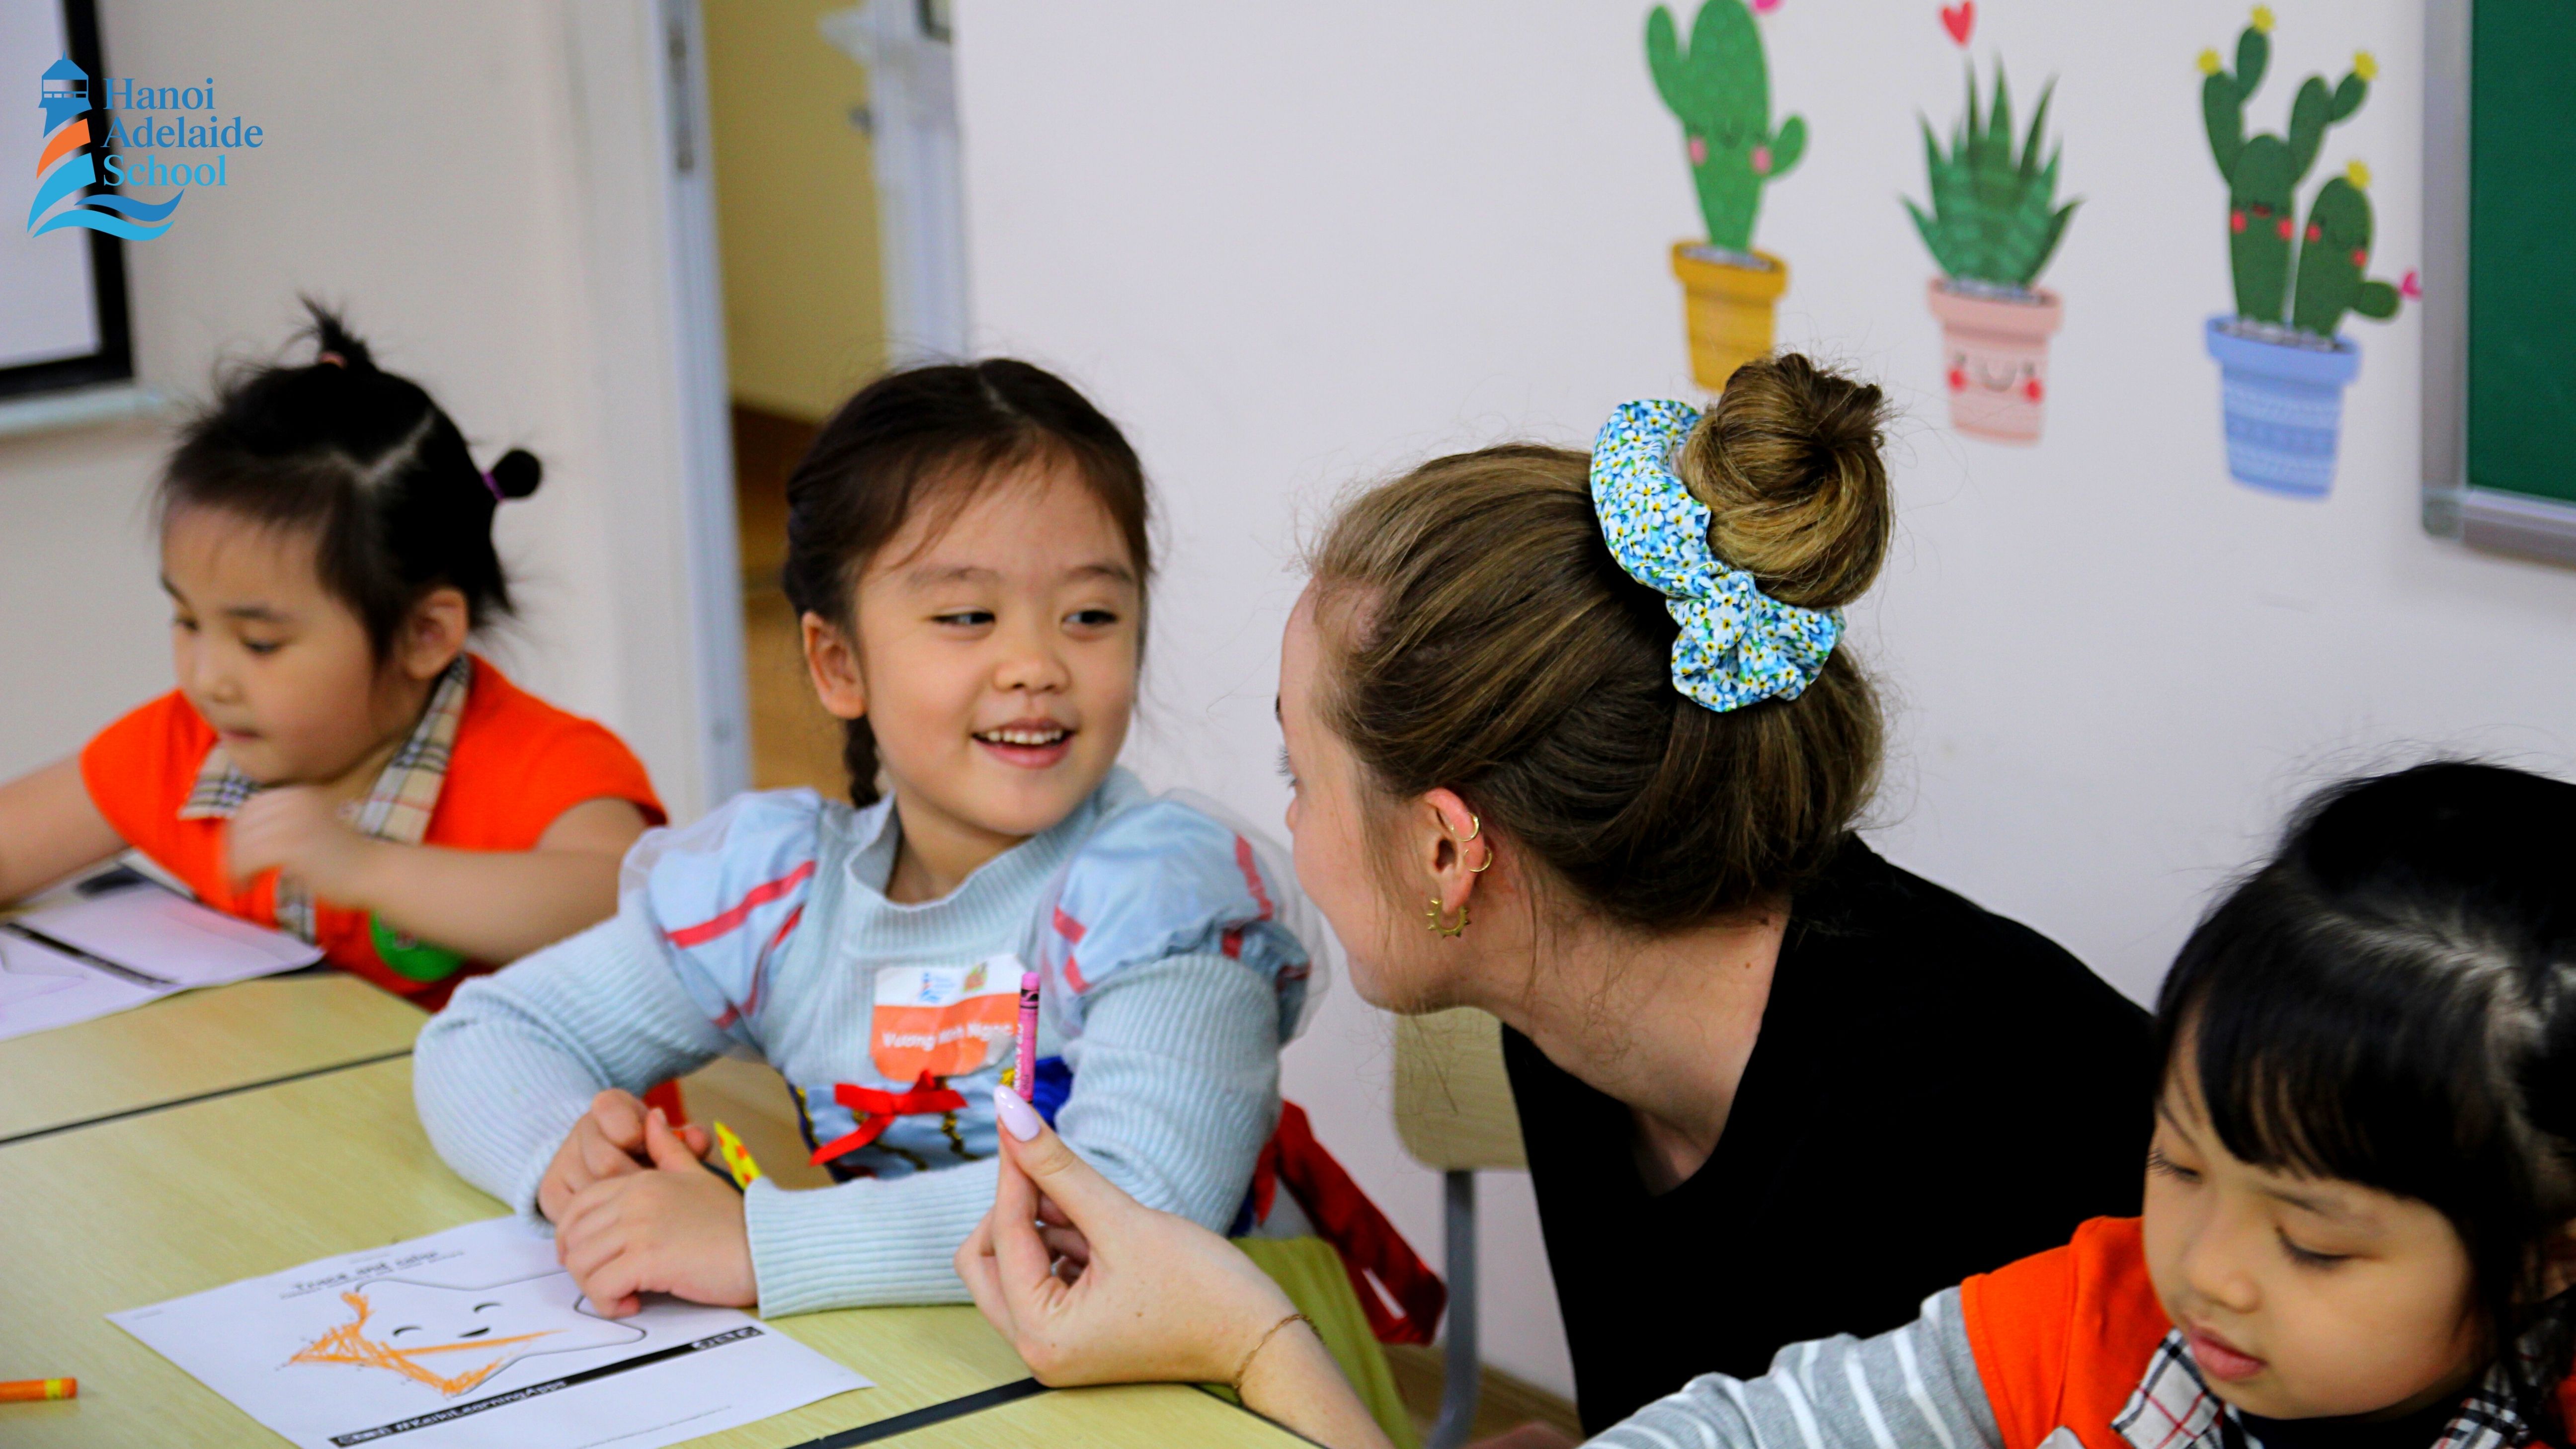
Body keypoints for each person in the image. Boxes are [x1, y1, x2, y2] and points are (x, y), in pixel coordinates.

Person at [960, 760, 2576, 1449]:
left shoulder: (1945, 1082)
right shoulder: (2096, 1309)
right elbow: (1763, 1423)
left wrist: (1264, 1344)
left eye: (2312, 1242)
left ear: (2545, 1254)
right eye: (2178, 1163)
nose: (2206, 1265)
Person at [1278, 356, 2148, 1430]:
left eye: (1299, 777)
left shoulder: (1965, 1131)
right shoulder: (1564, 1019)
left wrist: (1256, 1338)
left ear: (1448, 853)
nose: (1292, 828)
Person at [413, 360, 1315, 1319]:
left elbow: (1138, 1206)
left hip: (1214, 1368)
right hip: (946, 1357)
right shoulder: (781, 895)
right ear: (839, 663)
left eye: (1090, 615)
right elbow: (488, 1035)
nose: (1035, 665)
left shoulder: (1164, 895)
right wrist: (574, 1163)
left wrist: (759, 1243)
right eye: (968, 616)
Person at [0, 306, 663, 1007]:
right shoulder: (188, 747)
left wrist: (370, 871)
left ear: (424, 635)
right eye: (188, 621)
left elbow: (626, 905)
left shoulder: (541, 765)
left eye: (260, 643)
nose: (208, 678)